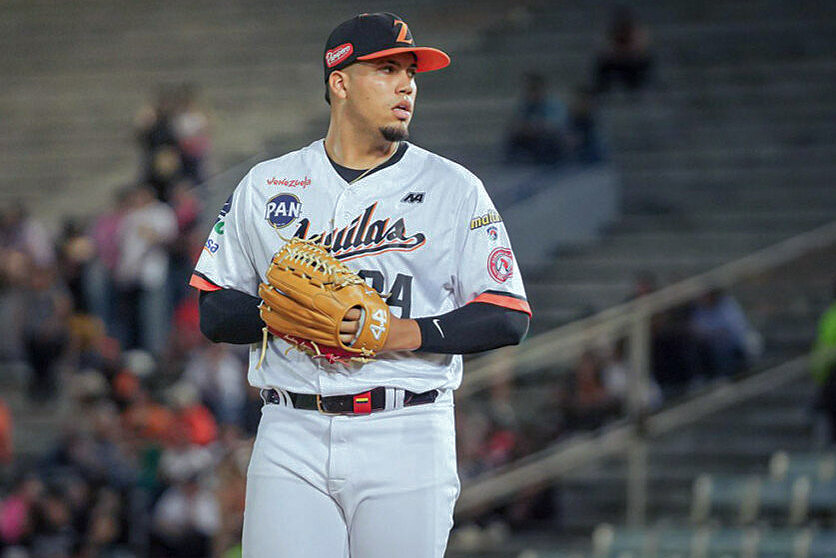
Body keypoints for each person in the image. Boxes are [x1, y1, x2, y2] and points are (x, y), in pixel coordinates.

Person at [189, 13, 531, 558]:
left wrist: (398, 332)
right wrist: (287, 315)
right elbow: (213, 308)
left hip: (406, 430)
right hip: (290, 428)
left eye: (412, 74)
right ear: (340, 81)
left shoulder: (453, 188)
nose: (408, 85)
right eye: (388, 69)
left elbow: (507, 315)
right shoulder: (269, 183)